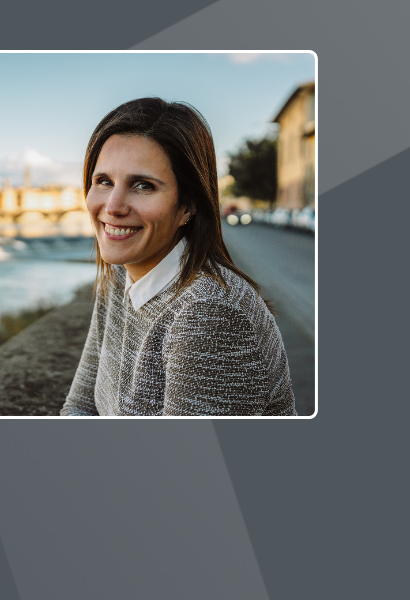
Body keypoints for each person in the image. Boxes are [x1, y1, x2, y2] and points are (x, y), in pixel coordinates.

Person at [61, 98, 295, 416]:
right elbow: (80, 405)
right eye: (104, 181)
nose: (113, 206)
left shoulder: (208, 313)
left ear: (187, 206)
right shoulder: (121, 275)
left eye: (143, 185)